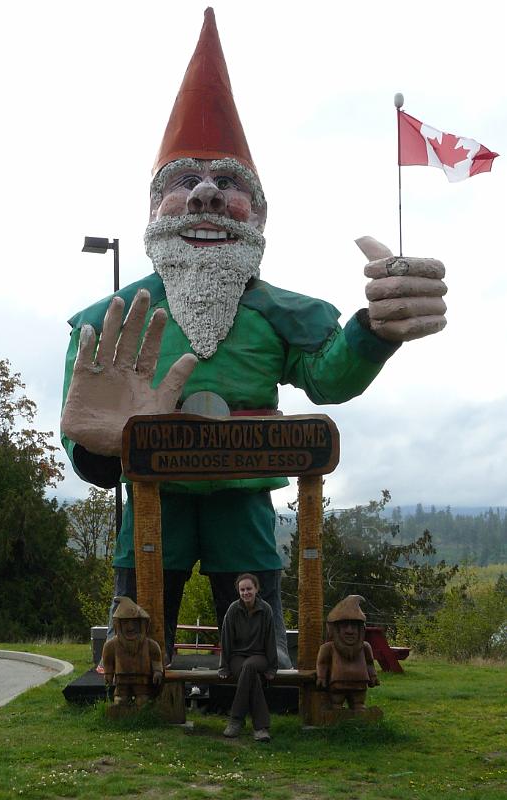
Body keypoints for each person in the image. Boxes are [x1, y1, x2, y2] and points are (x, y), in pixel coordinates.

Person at [61, 9, 447, 666]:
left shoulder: (281, 311)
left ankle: (258, 683)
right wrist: (101, 452)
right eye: (182, 182)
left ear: (259, 214)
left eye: (229, 184)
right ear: (154, 211)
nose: (207, 196)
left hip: (244, 488)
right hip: (157, 496)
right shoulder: (109, 320)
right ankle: (135, 689)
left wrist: (373, 333)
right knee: (143, 614)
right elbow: (87, 428)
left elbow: (328, 374)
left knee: (257, 629)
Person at [218, 573, 277, 741]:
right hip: (238, 657)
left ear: (256, 589)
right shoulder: (233, 610)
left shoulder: (266, 610)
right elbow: (226, 639)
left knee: (250, 667)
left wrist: (272, 667)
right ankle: (261, 728)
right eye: (242, 590)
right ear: (238, 591)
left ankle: (236, 719)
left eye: (249, 589)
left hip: (259, 657)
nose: (246, 593)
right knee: (252, 678)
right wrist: (224, 666)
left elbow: (271, 639)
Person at [316, 595, 379, 711]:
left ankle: (358, 709)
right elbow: (322, 663)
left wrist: (373, 675)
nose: (350, 631)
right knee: (336, 704)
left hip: (360, 686)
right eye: (345, 626)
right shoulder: (328, 648)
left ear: (361, 629)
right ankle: (336, 711)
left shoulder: (365, 647)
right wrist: (321, 676)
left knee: (359, 704)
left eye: (354, 627)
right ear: (335, 629)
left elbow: (370, 663)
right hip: (337, 686)